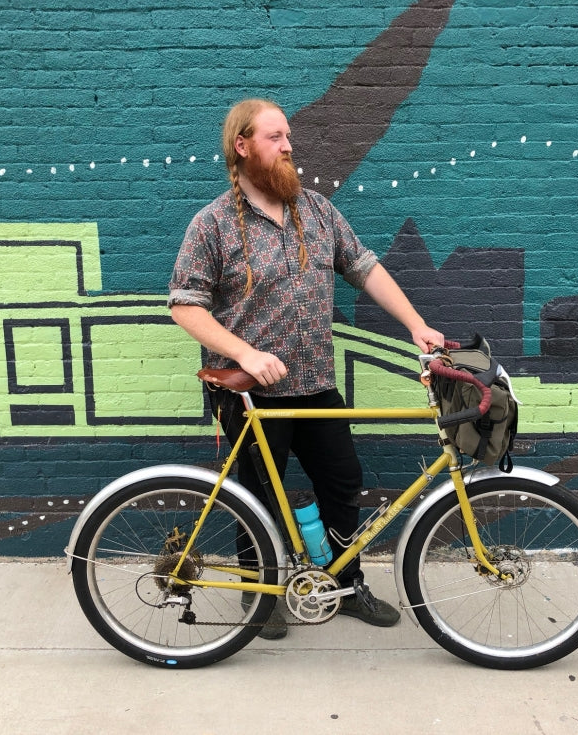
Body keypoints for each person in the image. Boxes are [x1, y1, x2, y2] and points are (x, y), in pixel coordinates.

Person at [168, 98, 444, 639]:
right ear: (242, 146)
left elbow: (363, 267)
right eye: (275, 137)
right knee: (256, 497)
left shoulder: (315, 211)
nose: (289, 146)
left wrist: (416, 324)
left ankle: (344, 582)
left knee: (343, 482)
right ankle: (260, 594)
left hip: (316, 383)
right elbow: (184, 305)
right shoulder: (213, 225)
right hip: (250, 393)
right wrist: (245, 353)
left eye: (288, 135)